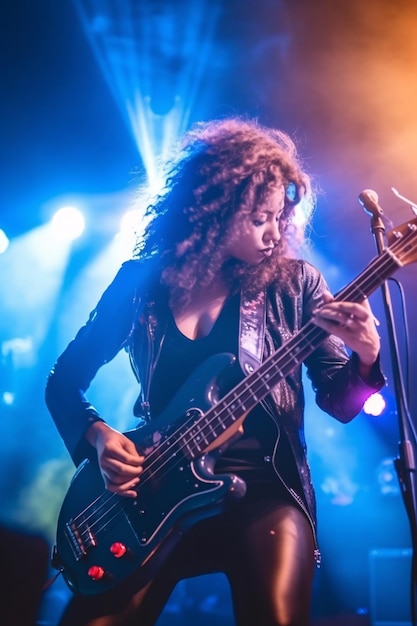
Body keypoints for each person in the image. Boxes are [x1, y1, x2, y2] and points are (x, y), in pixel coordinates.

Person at [45, 116, 385, 626]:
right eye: (260, 218)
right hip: (153, 496)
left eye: (280, 217)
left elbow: (339, 403)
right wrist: (96, 435)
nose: (276, 233)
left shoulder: (297, 284)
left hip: (266, 492)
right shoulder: (139, 282)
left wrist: (366, 357)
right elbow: (64, 380)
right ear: (214, 209)